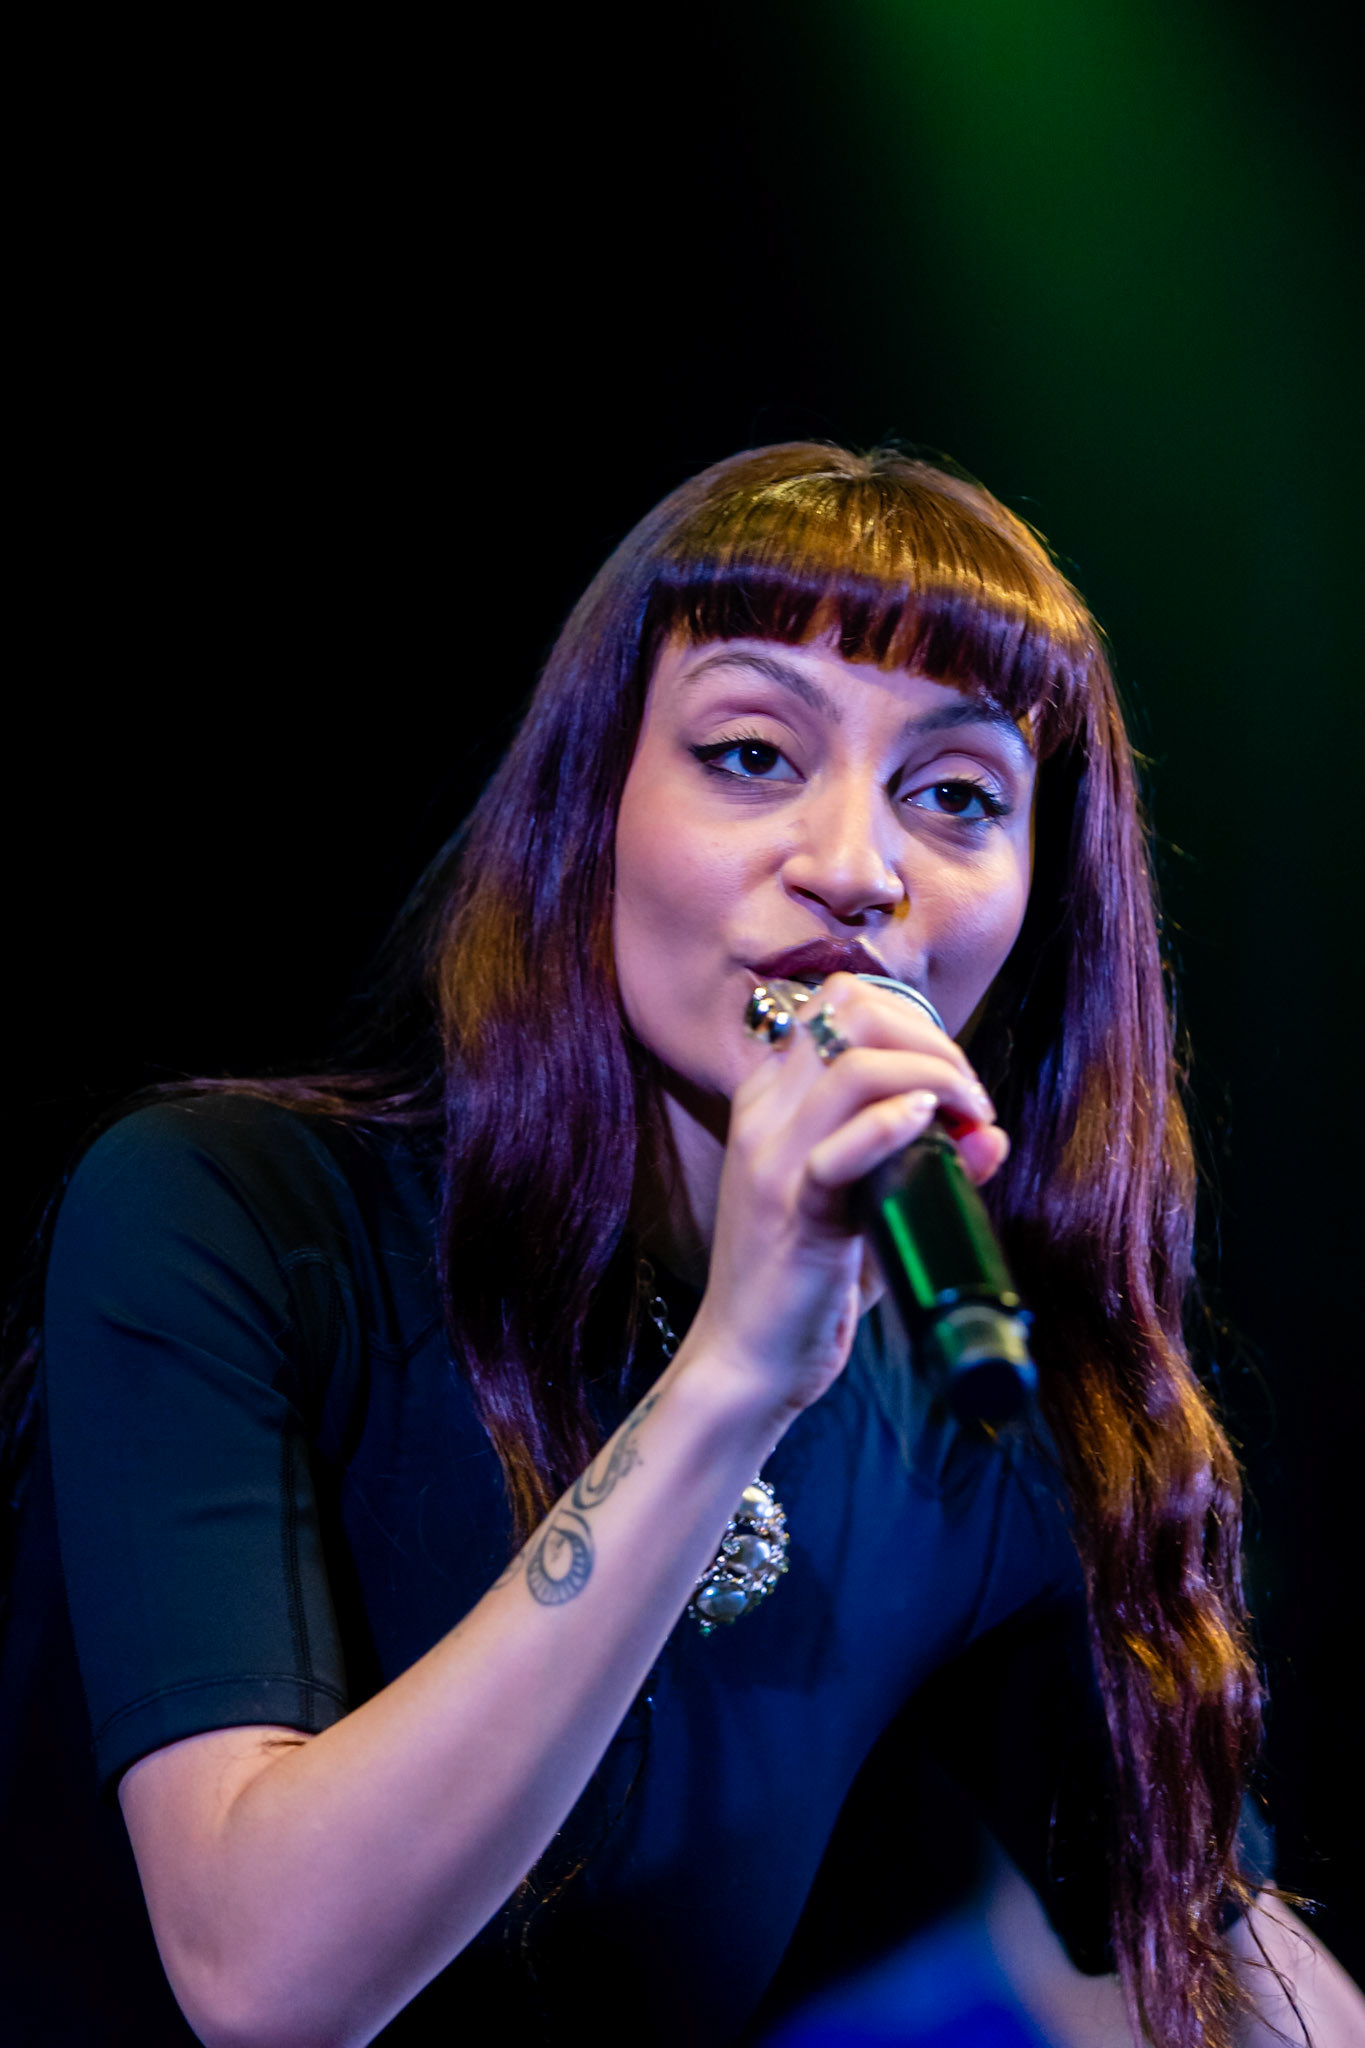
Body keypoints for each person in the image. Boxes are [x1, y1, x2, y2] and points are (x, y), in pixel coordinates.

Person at [1, 444, 1360, 2048]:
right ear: (592, 813)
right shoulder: (227, 1216)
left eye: (955, 796)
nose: (855, 869)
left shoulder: (977, 1399)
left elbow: (1212, 1951)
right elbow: (265, 1982)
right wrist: (732, 1377)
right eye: (747, 751)